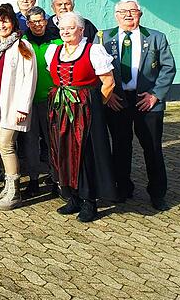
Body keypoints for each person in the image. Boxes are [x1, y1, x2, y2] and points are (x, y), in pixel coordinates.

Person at [101, 0, 176, 211]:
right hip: (118, 101)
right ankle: (122, 188)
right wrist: (107, 96)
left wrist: (155, 95)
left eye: (132, 11)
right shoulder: (104, 38)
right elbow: (96, 68)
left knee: (152, 148)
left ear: (140, 14)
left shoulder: (155, 37)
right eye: (123, 11)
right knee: (120, 146)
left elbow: (168, 68)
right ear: (116, 15)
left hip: (147, 100)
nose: (127, 15)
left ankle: (157, 193)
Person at [46, 12, 118, 222]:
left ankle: (89, 201)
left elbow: (108, 82)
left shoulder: (93, 50)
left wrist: (94, 106)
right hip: (60, 109)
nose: (65, 32)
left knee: (85, 154)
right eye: (62, 29)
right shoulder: (54, 50)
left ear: (81, 29)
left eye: (70, 28)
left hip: (85, 112)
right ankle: (73, 197)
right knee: (64, 152)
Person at [0, 6, 37, 211]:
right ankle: (6, 187)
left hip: (13, 106)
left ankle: (15, 193)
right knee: (1, 146)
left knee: (6, 145)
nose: (1, 25)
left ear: (13, 23)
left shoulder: (22, 46)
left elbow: (29, 78)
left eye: (5, 21)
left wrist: (23, 107)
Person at [20, 7, 62, 196]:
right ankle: (33, 180)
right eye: (33, 21)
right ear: (27, 23)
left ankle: (56, 179)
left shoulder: (58, 42)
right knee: (30, 143)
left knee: (53, 141)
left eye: (40, 20)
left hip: (51, 100)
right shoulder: (21, 43)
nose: (37, 24)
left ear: (46, 21)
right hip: (27, 101)